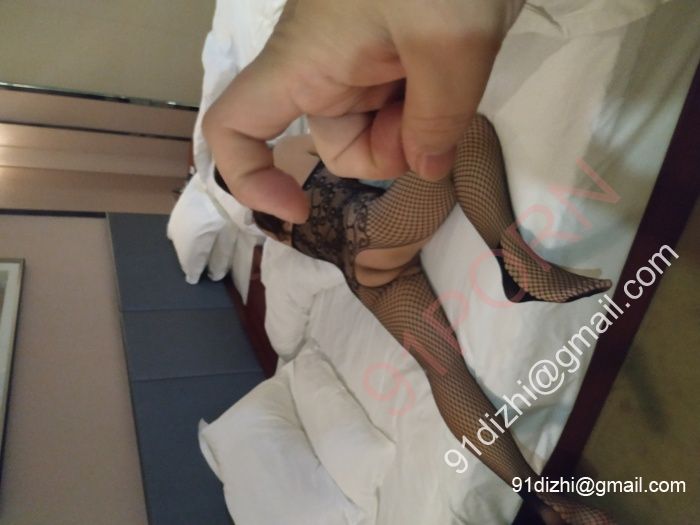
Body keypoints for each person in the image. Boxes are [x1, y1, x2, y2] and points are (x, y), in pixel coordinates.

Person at [214, 115, 615, 524]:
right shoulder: (288, 148)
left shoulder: (269, 225)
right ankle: (519, 266)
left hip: (366, 277)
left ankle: (542, 498)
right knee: (466, 128)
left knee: (444, 371)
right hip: (375, 230)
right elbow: (376, 163)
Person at [203, 0, 527, 224]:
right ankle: (507, 248)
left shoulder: (272, 225)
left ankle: (509, 255)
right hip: (378, 214)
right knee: (465, 141)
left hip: (361, 249)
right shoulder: (286, 148)